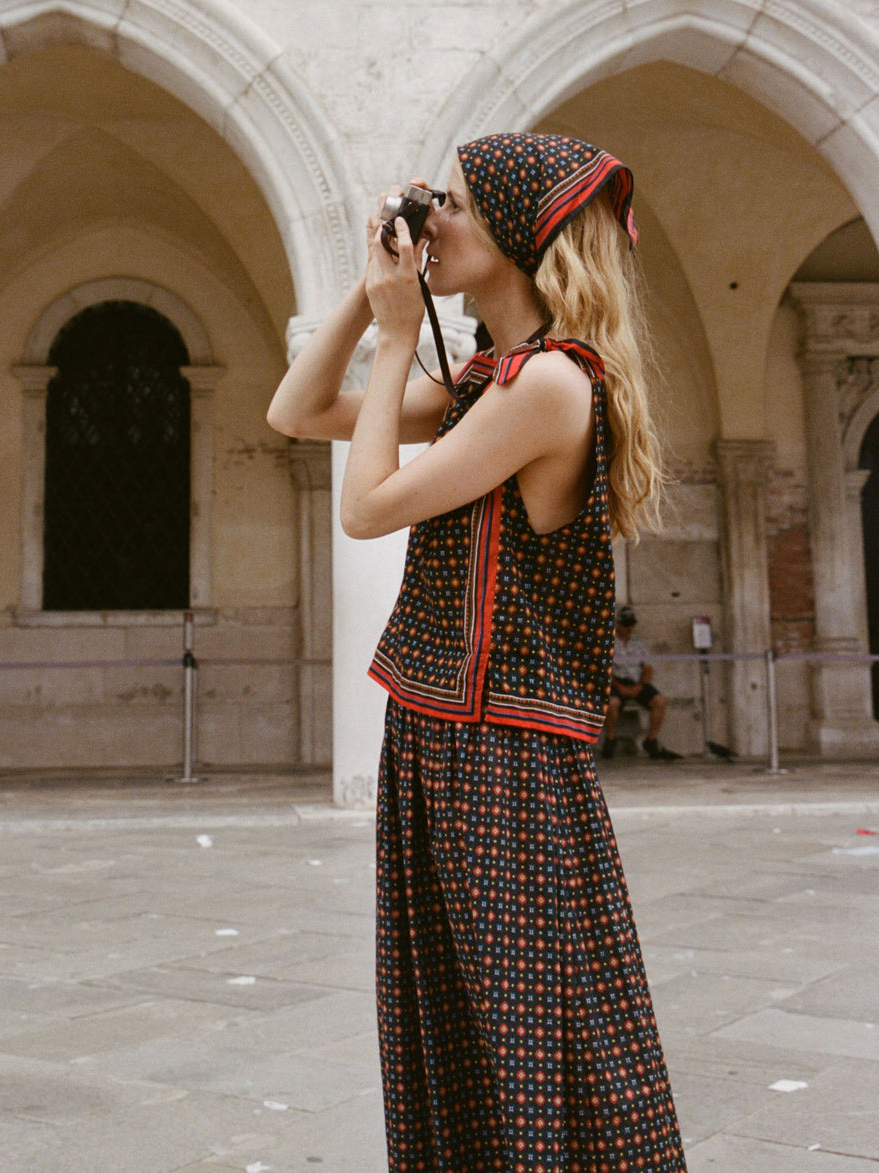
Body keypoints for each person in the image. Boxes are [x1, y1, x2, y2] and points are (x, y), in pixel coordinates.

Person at [268, 132, 686, 1171]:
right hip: (442, 737)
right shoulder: (490, 382)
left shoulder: (552, 385)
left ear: (516, 234)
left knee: (536, 1043)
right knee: (458, 1036)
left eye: (451, 204)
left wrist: (399, 334)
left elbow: (365, 508)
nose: (432, 219)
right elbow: (296, 411)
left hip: (506, 752)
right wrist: (372, 294)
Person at [603, 604, 681, 760]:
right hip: (617, 683)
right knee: (611, 704)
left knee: (659, 701)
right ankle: (610, 739)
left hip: (637, 682)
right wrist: (619, 686)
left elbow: (647, 667)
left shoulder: (639, 642)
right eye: (626, 625)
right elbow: (604, 670)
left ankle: (651, 740)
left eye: (631, 625)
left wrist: (640, 686)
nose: (629, 628)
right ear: (617, 624)